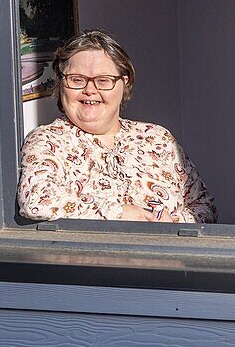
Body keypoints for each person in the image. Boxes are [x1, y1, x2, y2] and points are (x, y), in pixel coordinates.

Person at [17, 29, 216, 223]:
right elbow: (36, 202)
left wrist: (173, 222)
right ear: (61, 83)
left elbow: (205, 207)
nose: (89, 90)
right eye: (77, 80)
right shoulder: (47, 141)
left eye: (103, 81)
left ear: (125, 83)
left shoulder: (159, 139)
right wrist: (121, 213)